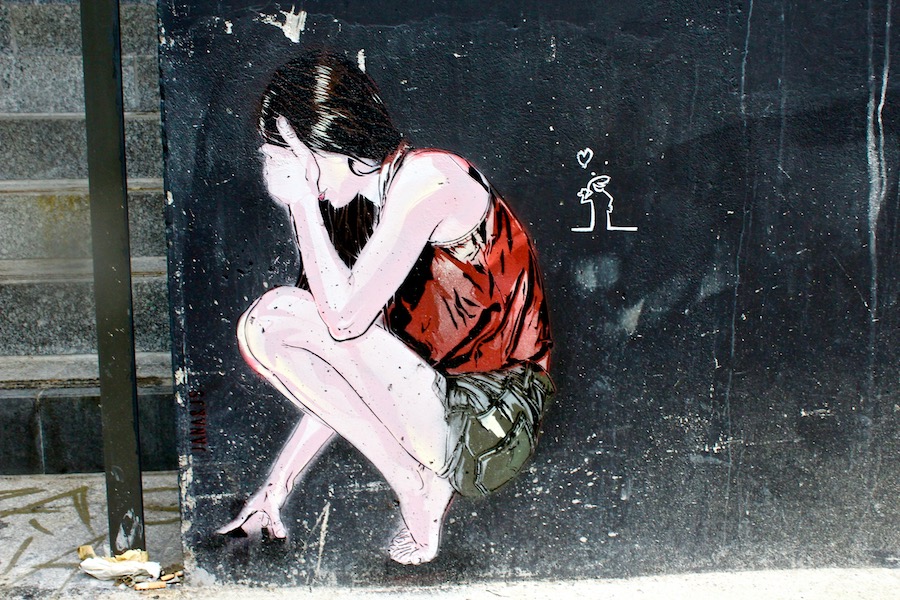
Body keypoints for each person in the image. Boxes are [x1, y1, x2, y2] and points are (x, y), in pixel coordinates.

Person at [217, 50, 554, 565]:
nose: (286, 174)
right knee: (274, 326)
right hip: (443, 416)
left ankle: (417, 488)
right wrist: (276, 488)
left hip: (495, 421)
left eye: (292, 157)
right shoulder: (363, 214)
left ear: (333, 137)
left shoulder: (430, 178)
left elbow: (343, 323)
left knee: (275, 318)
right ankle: (418, 485)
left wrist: (302, 202)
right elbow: (347, 378)